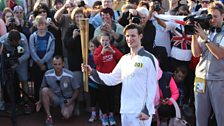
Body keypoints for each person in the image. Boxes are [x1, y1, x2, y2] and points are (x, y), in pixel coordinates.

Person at [82, 23, 160, 125]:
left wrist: (146, 109)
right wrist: (92, 72)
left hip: (140, 110)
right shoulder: (125, 59)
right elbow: (112, 79)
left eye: (133, 36)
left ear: (140, 36)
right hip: (125, 110)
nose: (129, 39)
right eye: (127, 36)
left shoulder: (149, 59)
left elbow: (152, 86)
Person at [191, 1, 224, 126]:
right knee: (200, 116)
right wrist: (194, 35)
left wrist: (205, 38)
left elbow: (219, 54)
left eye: (216, 16)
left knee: (221, 116)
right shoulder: (206, 30)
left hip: (218, 80)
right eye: (210, 16)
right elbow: (196, 53)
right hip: (201, 78)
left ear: (223, 16)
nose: (212, 20)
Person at [35, 55, 80, 126]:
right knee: (44, 90)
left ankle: (72, 107)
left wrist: (71, 100)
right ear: (52, 65)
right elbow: (42, 88)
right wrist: (40, 101)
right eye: (55, 64)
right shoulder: (47, 74)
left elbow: (77, 90)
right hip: (55, 98)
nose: (57, 66)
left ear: (63, 64)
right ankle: (49, 116)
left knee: (66, 115)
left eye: (59, 64)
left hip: (67, 99)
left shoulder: (70, 75)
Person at [29, 15, 55, 101]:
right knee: (37, 83)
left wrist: (43, 62)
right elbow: (32, 51)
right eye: (39, 25)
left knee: (47, 84)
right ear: (36, 25)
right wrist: (39, 62)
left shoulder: (50, 36)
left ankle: (46, 102)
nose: (41, 27)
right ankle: (37, 101)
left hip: (47, 64)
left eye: (43, 24)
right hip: (36, 64)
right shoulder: (33, 36)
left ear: (46, 25)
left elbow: (51, 51)